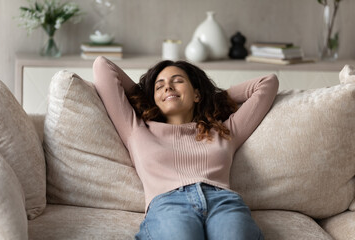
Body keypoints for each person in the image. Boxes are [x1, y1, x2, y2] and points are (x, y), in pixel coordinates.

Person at [93, 56, 279, 240]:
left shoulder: (222, 131)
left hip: (223, 202)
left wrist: (214, 97)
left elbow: (267, 83)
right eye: (159, 86)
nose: (168, 87)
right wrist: (145, 96)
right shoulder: (137, 129)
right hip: (169, 204)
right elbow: (102, 66)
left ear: (196, 94)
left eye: (178, 81)